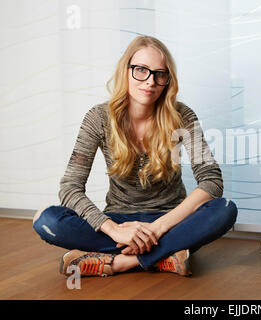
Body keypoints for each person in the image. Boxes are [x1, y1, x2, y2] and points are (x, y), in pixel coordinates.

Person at [32, 35, 238, 278]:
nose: (150, 81)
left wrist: (158, 228)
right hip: (118, 221)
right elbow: (70, 187)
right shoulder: (98, 118)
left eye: (160, 74)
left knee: (224, 209)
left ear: (167, 80)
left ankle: (120, 262)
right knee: (45, 220)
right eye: (141, 70)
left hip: (170, 221)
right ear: (125, 70)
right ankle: (165, 256)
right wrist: (114, 230)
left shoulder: (182, 115)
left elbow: (211, 181)